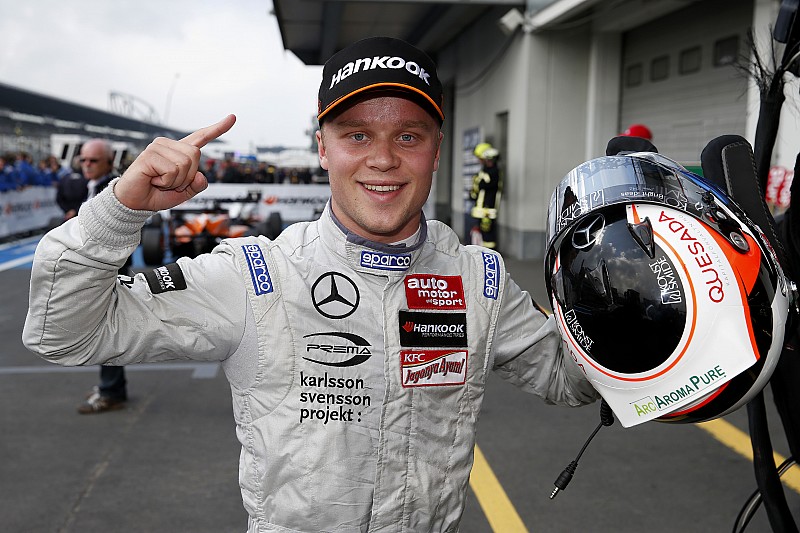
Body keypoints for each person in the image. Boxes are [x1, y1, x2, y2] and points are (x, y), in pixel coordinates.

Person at [23, 37, 597, 531]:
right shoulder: (257, 276)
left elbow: (573, 379)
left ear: (436, 150)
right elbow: (65, 333)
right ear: (322, 147)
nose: (382, 160)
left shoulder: (479, 279)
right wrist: (120, 210)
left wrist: (638, 272)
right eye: (356, 135)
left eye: (408, 137)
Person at [73, 139, 131, 414]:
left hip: (108, 271)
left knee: (106, 331)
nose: (86, 165)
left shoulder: (115, 190)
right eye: (83, 160)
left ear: (108, 162)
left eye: (93, 160)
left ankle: (111, 391)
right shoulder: (92, 187)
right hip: (94, 270)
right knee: (102, 330)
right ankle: (111, 386)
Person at [469, 142, 502, 249]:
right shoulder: (485, 171)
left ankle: (490, 253)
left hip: (487, 211)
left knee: (488, 237)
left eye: (482, 158)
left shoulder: (493, 173)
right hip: (482, 210)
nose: (480, 161)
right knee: (482, 234)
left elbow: (484, 185)